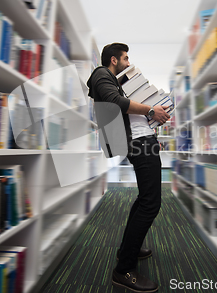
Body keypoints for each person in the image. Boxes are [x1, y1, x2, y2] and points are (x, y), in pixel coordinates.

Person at [86, 43, 170, 292]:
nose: (128, 61)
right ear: (113, 59)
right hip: (139, 143)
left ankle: (127, 249)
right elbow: (115, 102)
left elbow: (127, 111)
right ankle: (123, 270)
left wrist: (152, 131)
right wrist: (152, 109)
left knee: (145, 198)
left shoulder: (117, 79)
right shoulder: (102, 74)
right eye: (125, 57)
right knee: (151, 202)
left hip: (144, 140)